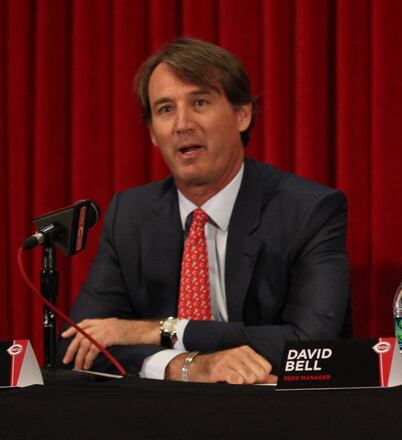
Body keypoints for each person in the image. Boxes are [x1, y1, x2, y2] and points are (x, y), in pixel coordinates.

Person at [59, 37, 349, 384]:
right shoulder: (130, 215)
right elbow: (81, 346)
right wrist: (185, 366)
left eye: (199, 102)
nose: (182, 124)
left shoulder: (307, 210)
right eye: (165, 109)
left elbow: (312, 345)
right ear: (152, 132)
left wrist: (163, 331)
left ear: (242, 115)